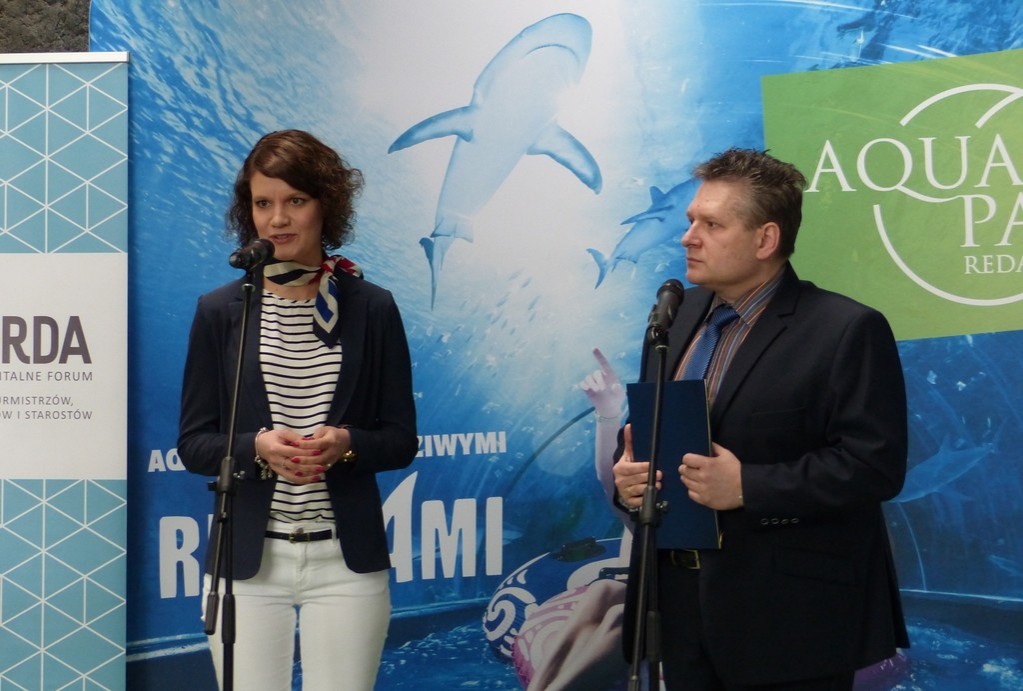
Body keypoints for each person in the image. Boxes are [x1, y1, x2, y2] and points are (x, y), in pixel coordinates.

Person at [612, 148, 909, 690]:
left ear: (766, 239)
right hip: (676, 614)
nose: (688, 238)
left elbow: (874, 467)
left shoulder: (846, 329)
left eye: (711, 225)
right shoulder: (674, 319)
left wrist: (747, 486)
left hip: (790, 626)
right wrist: (627, 475)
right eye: (690, 221)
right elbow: (645, 434)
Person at [177, 129, 418, 691]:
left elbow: (401, 439)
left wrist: (347, 445)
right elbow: (193, 444)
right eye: (263, 203)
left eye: (296, 200)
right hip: (248, 566)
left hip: (346, 562)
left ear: (326, 205)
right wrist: (255, 449)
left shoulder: (372, 308)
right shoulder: (220, 311)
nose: (278, 219)